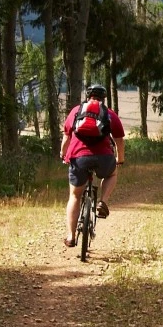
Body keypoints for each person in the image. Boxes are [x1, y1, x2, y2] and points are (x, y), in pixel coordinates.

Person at [60, 84, 125, 248]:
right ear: (104, 98)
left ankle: (71, 236)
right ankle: (103, 201)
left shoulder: (76, 111)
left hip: (78, 157)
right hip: (104, 157)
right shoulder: (109, 114)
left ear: (88, 96)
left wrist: (63, 153)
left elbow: (67, 137)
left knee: (74, 196)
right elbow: (119, 139)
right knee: (112, 173)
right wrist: (120, 159)